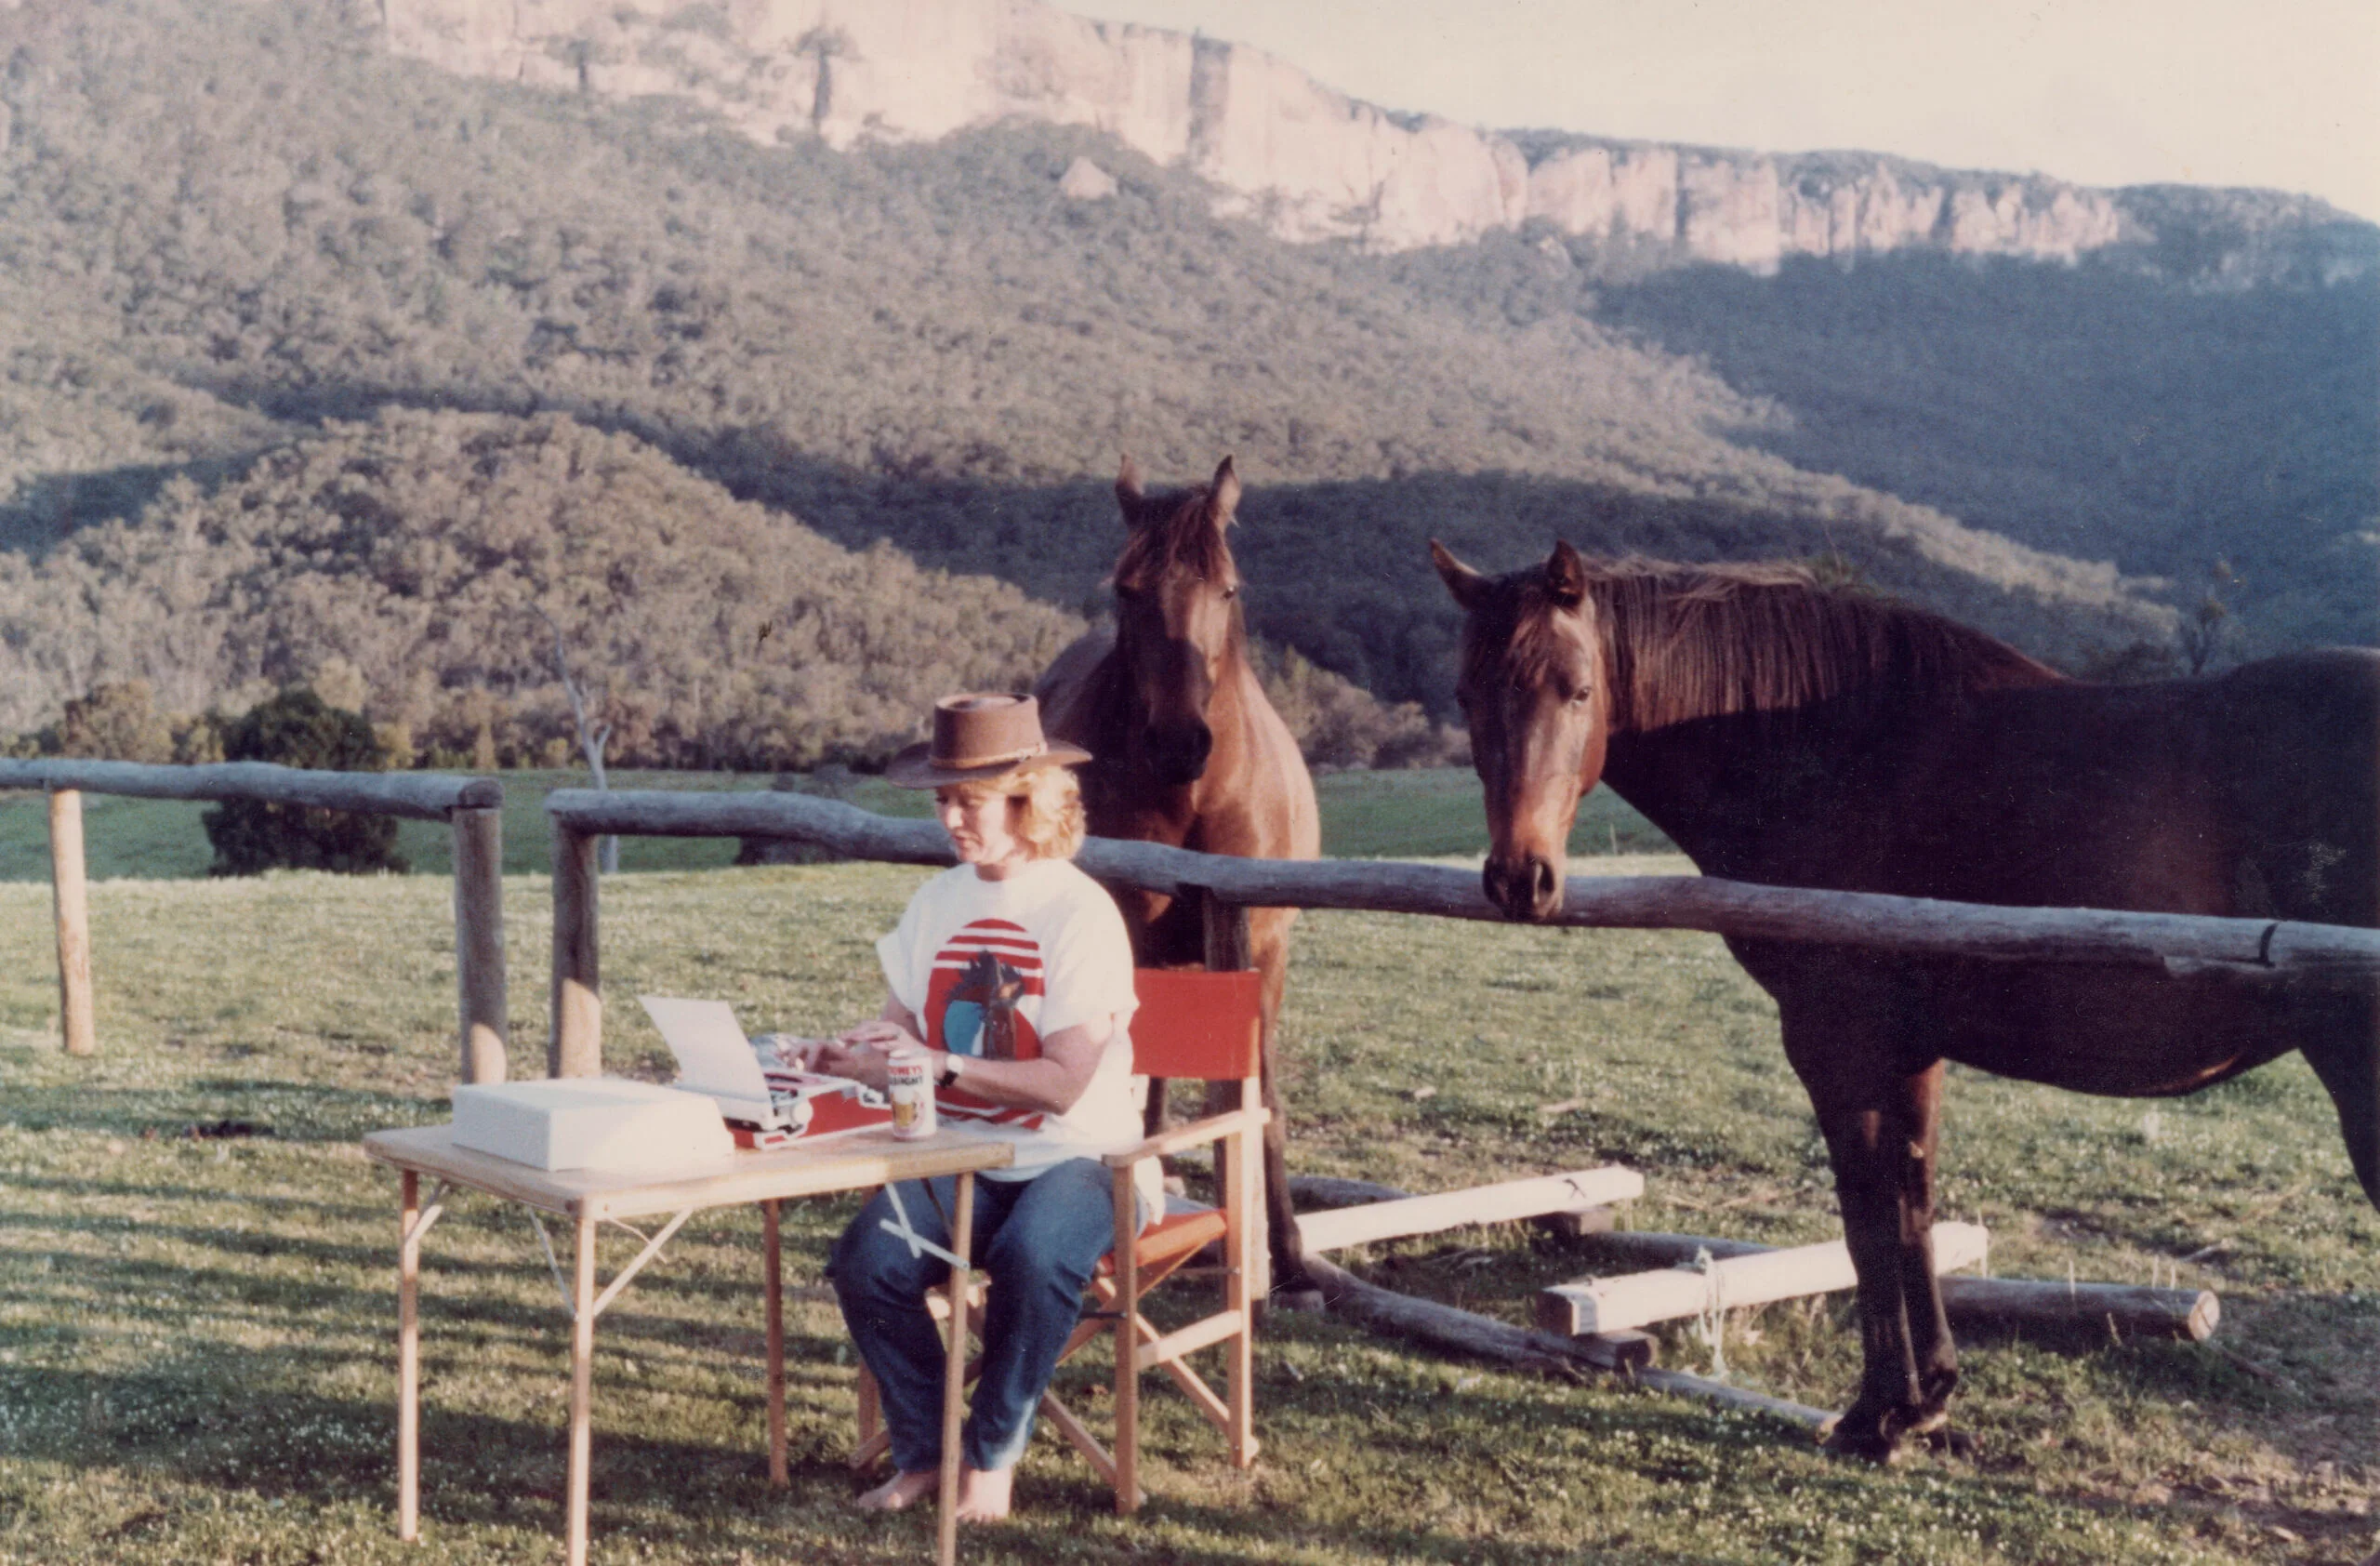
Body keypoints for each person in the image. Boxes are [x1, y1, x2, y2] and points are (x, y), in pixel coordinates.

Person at [789, 693, 1157, 1523]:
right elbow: (899, 1054)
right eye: (942, 799)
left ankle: (990, 1461)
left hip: (1086, 1160)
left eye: (970, 801)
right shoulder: (936, 905)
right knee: (867, 1264)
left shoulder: (1079, 913)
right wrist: (838, 1060)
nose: (950, 818)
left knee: (1032, 1258)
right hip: (961, 1158)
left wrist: (942, 1063)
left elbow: (1063, 1083)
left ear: (1030, 800)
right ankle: (926, 1454)